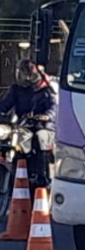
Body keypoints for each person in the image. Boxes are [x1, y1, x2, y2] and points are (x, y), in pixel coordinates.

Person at [0, 60, 57, 188]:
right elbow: (4, 105)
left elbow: (53, 107)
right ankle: (15, 167)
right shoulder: (16, 89)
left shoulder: (46, 89)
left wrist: (47, 116)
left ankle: (42, 176)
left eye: (30, 74)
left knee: (40, 137)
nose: (27, 78)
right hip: (23, 125)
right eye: (24, 74)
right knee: (10, 139)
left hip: (43, 126)